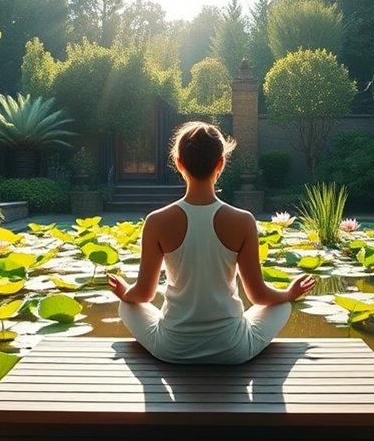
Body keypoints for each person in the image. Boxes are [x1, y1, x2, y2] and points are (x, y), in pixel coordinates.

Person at [108, 121, 316, 364]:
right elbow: (259, 296)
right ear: (221, 163)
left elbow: (143, 295)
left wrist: (124, 291)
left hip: (173, 349)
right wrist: (289, 293)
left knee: (126, 306)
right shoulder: (243, 220)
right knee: (282, 306)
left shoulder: (156, 221)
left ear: (178, 163)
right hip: (233, 349)